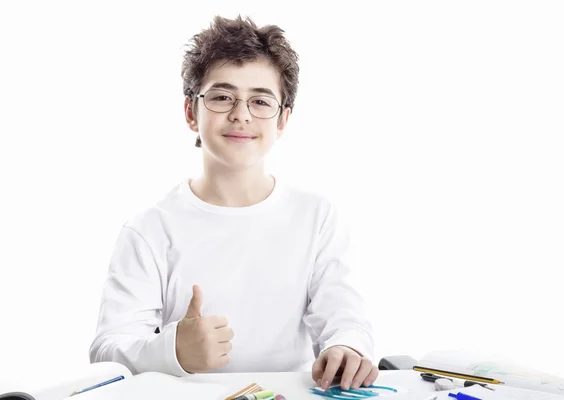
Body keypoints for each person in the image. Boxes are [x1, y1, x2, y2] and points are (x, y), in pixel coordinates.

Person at [89, 14, 379, 391]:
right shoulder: (149, 229)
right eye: (222, 97)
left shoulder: (317, 218)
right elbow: (107, 350)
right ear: (191, 112)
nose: (241, 114)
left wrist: (347, 347)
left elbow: (346, 319)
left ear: (283, 120)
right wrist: (173, 352)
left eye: (260, 101)